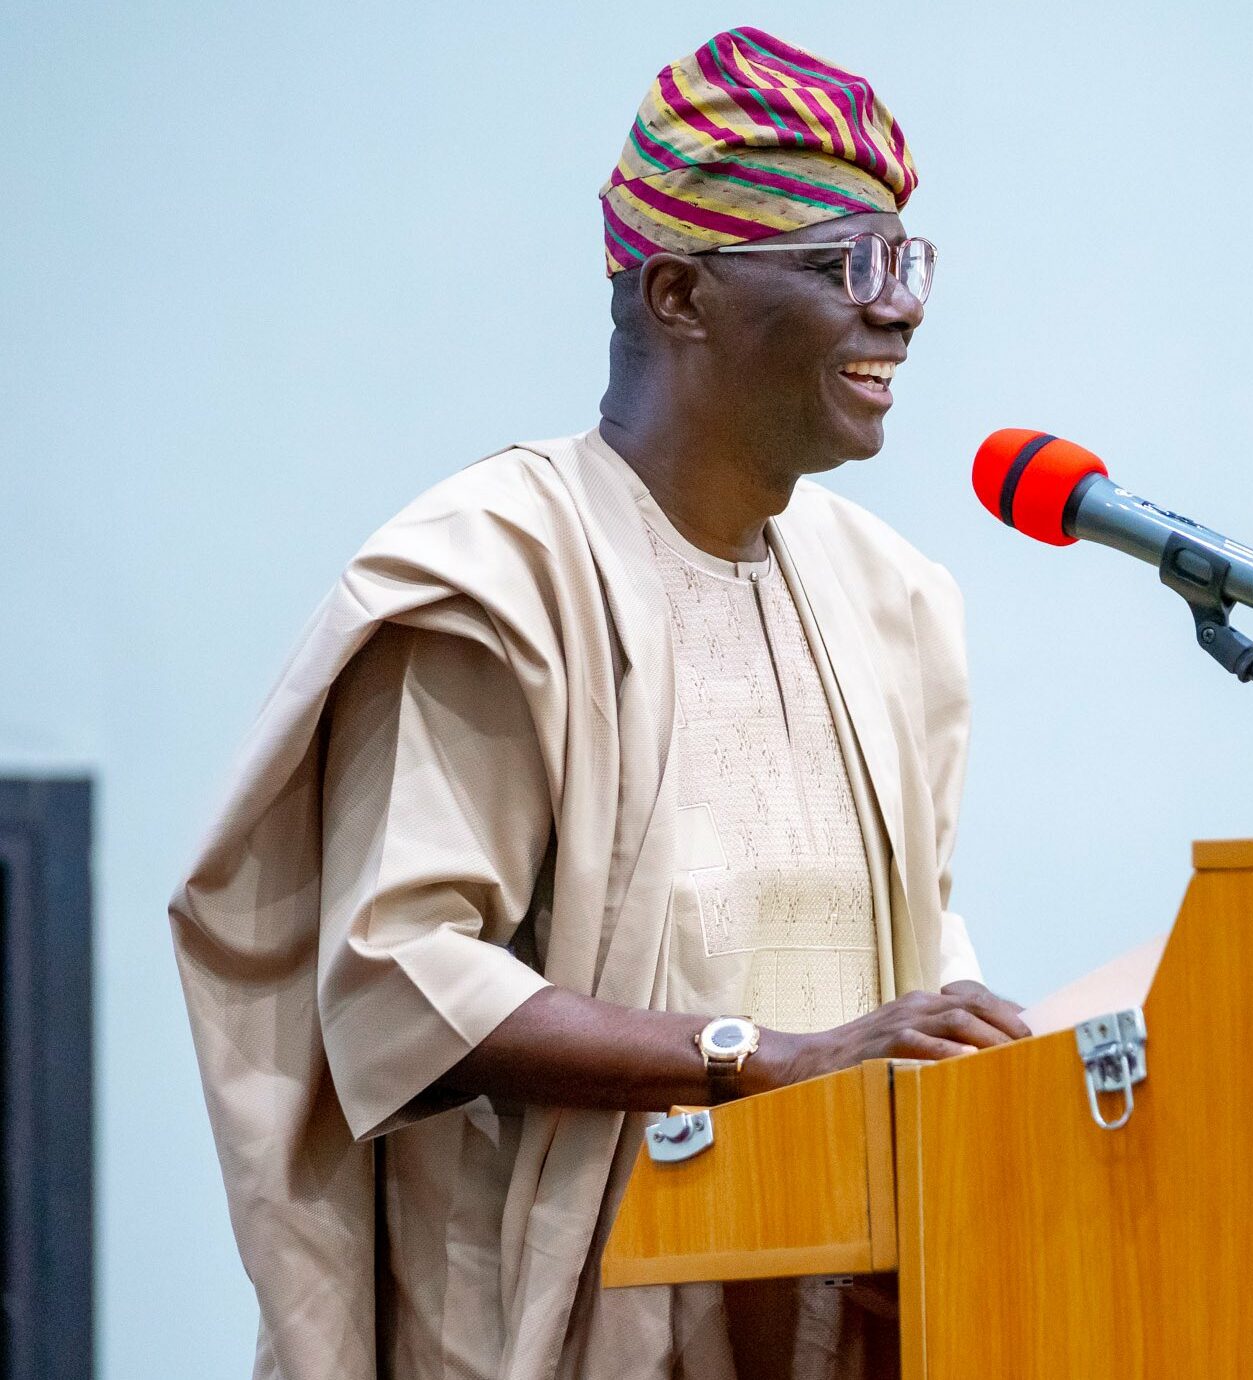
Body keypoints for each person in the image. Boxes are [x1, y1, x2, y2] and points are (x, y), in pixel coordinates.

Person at [170, 27, 1027, 1380]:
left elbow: (908, 941)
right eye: (844, 267)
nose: (900, 308)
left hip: (828, 1317)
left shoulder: (893, 598)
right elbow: (405, 976)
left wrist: (982, 1043)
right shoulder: (492, 572)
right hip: (561, 1323)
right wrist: (765, 1059)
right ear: (680, 294)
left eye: (903, 261)